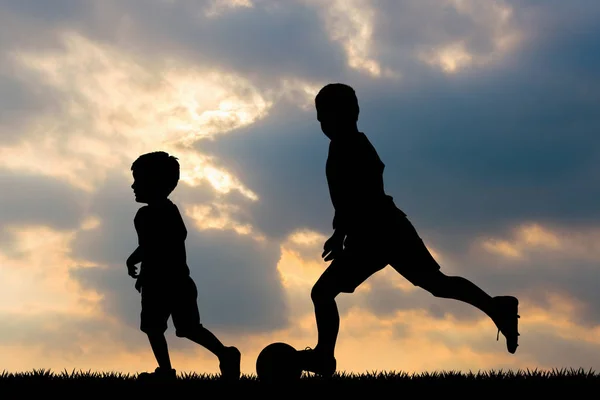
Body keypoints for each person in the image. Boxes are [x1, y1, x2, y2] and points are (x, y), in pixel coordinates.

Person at [297, 83, 520, 377]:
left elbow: (363, 196)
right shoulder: (341, 145)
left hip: (380, 233)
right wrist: (341, 233)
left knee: (324, 292)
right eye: (320, 119)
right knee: (436, 284)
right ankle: (496, 307)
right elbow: (347, 200)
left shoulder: (354, 147)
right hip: (383, 231)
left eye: (327, 116)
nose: (324, 124)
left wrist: (342, 234)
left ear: (351, 114)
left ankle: (325, 356)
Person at [127, 151, 241, 382]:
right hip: (165, 282)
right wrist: (135, 260)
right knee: (161, 328)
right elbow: (150, 245)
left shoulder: (160, 213)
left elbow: (165, 242)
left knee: (178, 328)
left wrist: (143, 264)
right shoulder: (150, 214)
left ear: (155, 183)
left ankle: (222, 354)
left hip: (169, 282)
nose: (133, 186)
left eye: (138, 180)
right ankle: (169, 371)